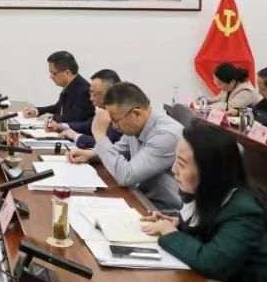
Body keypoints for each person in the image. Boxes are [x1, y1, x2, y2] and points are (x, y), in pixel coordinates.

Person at [140, 123, 267, 282]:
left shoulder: (246, 211)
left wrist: (169, 232)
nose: (173, 169)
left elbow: (212, 262)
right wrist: (177, 224)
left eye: (182, 164)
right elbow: (209, 224)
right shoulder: (213, 191)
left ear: (210, 170)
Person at [67, 82, 182, 212]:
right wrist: (91, 154)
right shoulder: (136, 126)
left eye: (116, 121)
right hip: (141, 198)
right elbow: (118, 151)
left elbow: (126, 176)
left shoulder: (166, 135)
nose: (114, 127)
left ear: (136, 114)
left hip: (164, 212)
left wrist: (100, 136)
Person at [23, 51, 94, 124]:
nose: (51, 76)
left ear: (67, 73)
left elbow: (75, 119)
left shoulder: (83, 91)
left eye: (53, 73)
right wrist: (36, 111)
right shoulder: (71, 85)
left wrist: (51, 117)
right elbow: (58, 107)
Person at [57, 69, 123, 148]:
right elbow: (89, 125)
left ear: (109, 93)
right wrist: (60, 126)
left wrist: (75, 136)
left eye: (94, 94)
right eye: (90, 92)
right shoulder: (104, 111)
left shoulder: (121, 117)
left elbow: (108, 147)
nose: (91, 98)